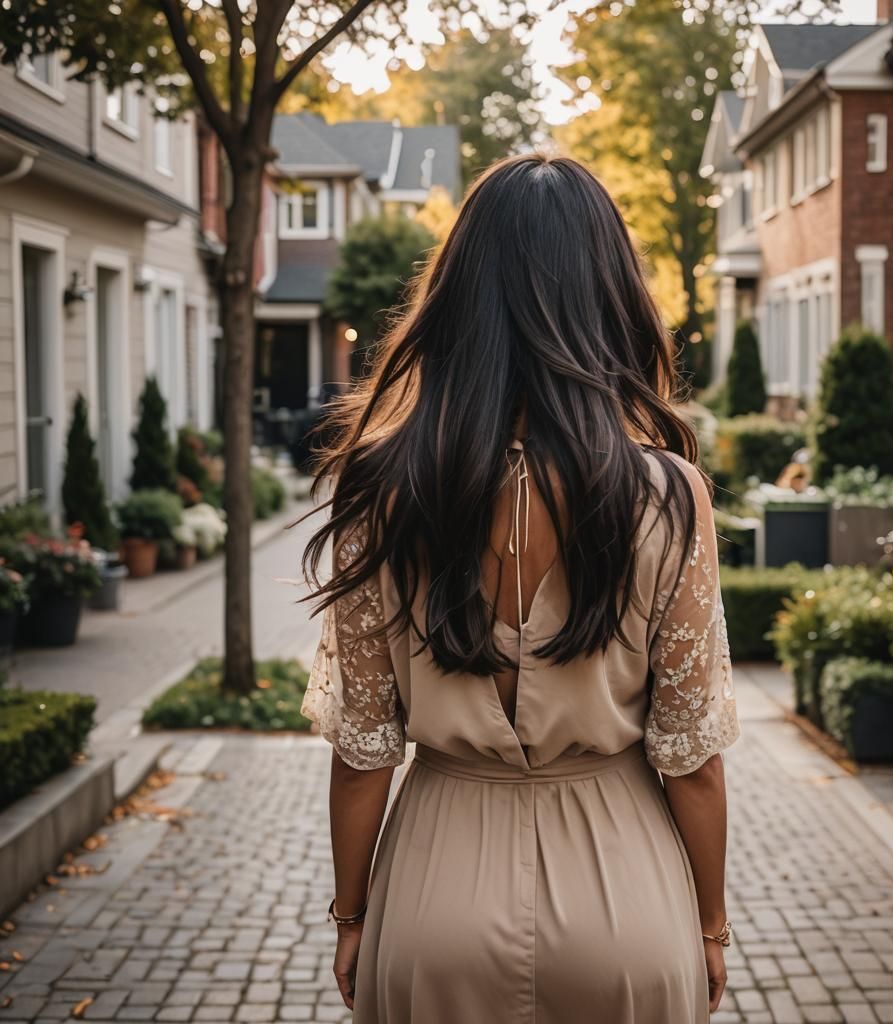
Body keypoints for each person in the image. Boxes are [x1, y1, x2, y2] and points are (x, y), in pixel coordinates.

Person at [300, 153, 740, 1024]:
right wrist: (711, 924)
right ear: (611, 297)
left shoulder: (381, 492)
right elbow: (690, 757)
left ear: (456, 300)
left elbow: (362, 754)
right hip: (626, 899)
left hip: (433, 894)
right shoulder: (668, 496)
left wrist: (352, 918)